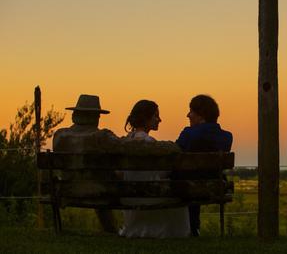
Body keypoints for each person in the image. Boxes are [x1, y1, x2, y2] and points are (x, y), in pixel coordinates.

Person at [119, 100, 190, 238]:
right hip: (150, 196)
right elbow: (161, 172)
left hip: (128, 198)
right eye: (156, 116)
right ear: (146, 118)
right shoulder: (150, 144)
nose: (160, 119)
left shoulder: (124, 142)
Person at [53, 94, 119, 233]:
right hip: (100, 190)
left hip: (67, 190)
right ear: (95, 116)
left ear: (75, 115)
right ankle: (111, 229)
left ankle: (110, 229)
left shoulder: (59, 136)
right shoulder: (103, 137)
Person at [175, 94, 233, 237]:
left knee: (187, 178)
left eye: (191, 111)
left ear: (201, 115)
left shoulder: (188, 134)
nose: (188, 115)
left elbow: (175, 157)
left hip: (186, 186)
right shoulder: (227, 137)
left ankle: (190, 229)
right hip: (215, 185)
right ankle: (194, 229)